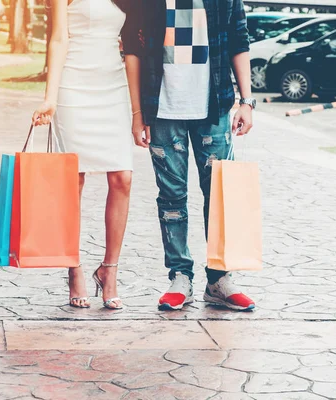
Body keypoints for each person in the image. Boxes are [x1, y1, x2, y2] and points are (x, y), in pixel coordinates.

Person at [123, 0, 257, 311]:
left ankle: (220, 279)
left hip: (214, 106)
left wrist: (247, 101)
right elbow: (132, 47)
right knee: (171, 197)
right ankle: (180, 276)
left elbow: (239, 38)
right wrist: (137, 111)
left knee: (221, 196)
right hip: (162, 107)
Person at [32, 0, 141, 310]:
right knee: (73, 180)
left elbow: (133, 44)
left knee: (123, 177)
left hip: (113, 86)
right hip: (73, 86)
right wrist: (50, 98)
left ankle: (109, 270)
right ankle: (74, 268)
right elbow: (59, 38)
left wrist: (137, 112)